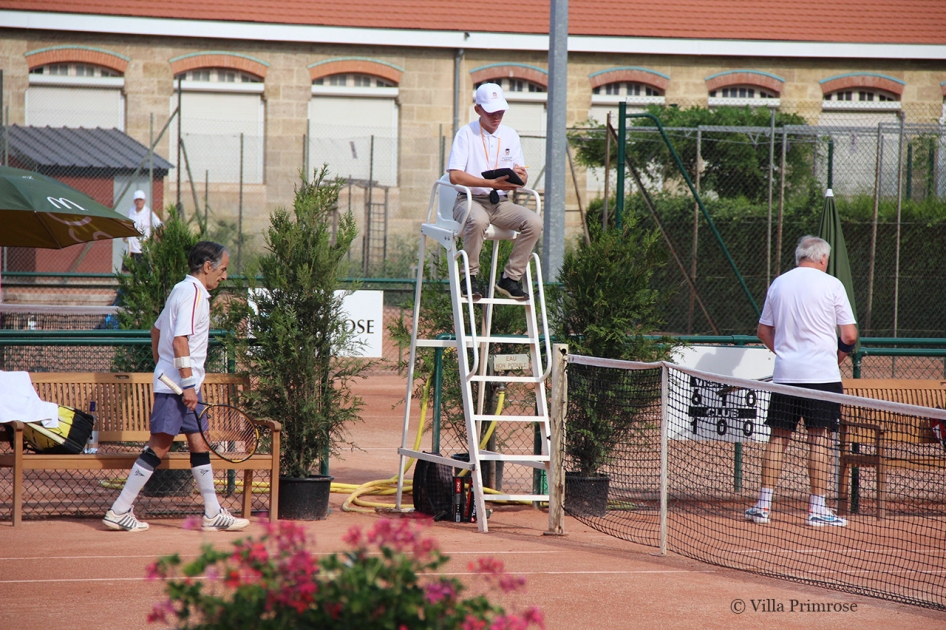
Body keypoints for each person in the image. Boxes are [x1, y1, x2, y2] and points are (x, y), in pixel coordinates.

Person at [103, 241, 248, 532]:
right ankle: (119, 510)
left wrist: (164, 367)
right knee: (159, 446)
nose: (225, 276)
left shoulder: (182, 290)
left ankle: (212, 512)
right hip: (180, 387)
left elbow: (156, 331)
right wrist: (187, 384)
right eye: (222, 269)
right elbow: (179, 341)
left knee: (198, 441)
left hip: (182, 383)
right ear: (207, 267)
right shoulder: (193, 293)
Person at [745, 235, 858, 528]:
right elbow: (849, 336)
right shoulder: (833, 285)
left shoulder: (779, 283)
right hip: (822, 376)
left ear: (799, 257)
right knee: (819, 439)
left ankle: (763, 505)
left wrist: (784, 352)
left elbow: (762, 330)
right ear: (823, 259)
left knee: (778, 437)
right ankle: (817, 509)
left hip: (786, 375)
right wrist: (838, 356)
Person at [446, 82, 542, 301]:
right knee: (478, 220)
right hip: (469, 200)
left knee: (534, 222)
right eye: (491, 112)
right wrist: (491, 184)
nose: (497, 116)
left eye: (500, 111)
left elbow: (522, 175)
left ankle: (510, 278)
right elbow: (454, 176)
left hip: (501, 203)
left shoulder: (510, 135)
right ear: (478, 109)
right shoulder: (466, 134)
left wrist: (520, 178)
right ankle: (469, 277)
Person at [125, 190, 163, 264]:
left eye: (140, 200)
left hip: (142, 249)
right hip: (130, 249)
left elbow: (160, 226)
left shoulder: (148, 212)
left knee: (142, 271)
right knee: (126, 272)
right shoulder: (131, 211)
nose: (138, 202)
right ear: (134, 201)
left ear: (144, 201)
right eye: (137, 200)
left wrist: (152, 239)